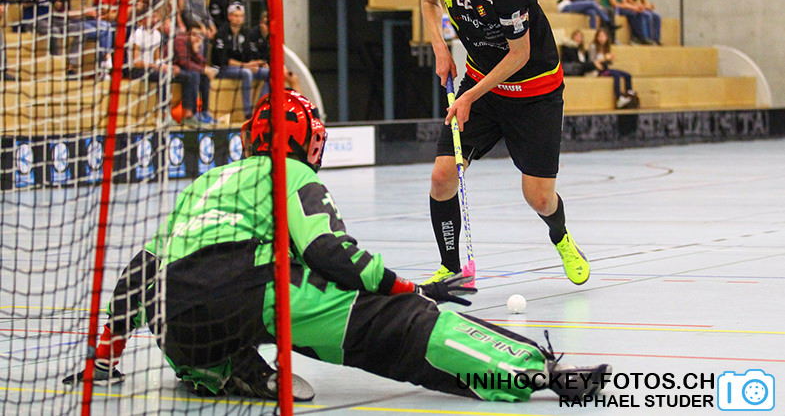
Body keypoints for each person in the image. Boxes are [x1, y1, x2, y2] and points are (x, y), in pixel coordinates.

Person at [61, 89, 611, 402]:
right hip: (252, 287)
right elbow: (328, 254)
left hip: (176, 320)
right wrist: (405, 289)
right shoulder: (293, 174)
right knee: (401, 326)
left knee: (198, 316)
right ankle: (538, 372)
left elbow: (141, 271)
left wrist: (106, 356)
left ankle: (220, 369)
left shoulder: (207, 182)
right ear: (306, 143)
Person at [419, 0, 591, 287]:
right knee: (443, 176)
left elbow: (519, 55)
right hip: (483, 83)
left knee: (539, 197)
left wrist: (468, 97)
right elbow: (429, 2)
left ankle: (561, 237)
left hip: (535, 92)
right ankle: (451, 270)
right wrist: (440, 49)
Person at [212, 3, 269, 120]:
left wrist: (256, 64)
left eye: (241, 16)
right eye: (236, 16)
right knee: (246, 73)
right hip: (223, 69)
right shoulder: (222, 33)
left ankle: (260, 108)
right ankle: (248, 114)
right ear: (229, 17)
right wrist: (245, 66)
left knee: (270, 73)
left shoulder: (245, 33)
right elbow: (223, 60)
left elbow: (248, 56)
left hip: (242, 67)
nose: (238, 19)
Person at [172, 23, 218, 127]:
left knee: (204, 76)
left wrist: (196, 50)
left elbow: (202, 62)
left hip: (188, 69)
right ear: (187, 34)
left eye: (199, 34)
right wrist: (203, 69)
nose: (197, 37)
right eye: (193, 34)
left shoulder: (198, 42)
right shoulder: (180, 40)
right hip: (174, 69)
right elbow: (184, 62)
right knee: (194, 75)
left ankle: (204, 112)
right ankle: (189, 115)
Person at [588, 27, 637, 109]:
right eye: (599, 36)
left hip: (605, 68)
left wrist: (610, 59)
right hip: (598, 70)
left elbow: (609, 63)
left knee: (627, 75)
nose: (601, 38)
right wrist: (604, 58)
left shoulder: (606, 47)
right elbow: (592, 61)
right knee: (616, 75)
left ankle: (629, 93)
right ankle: (618, 97)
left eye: (603, 36)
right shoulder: (593, 46)